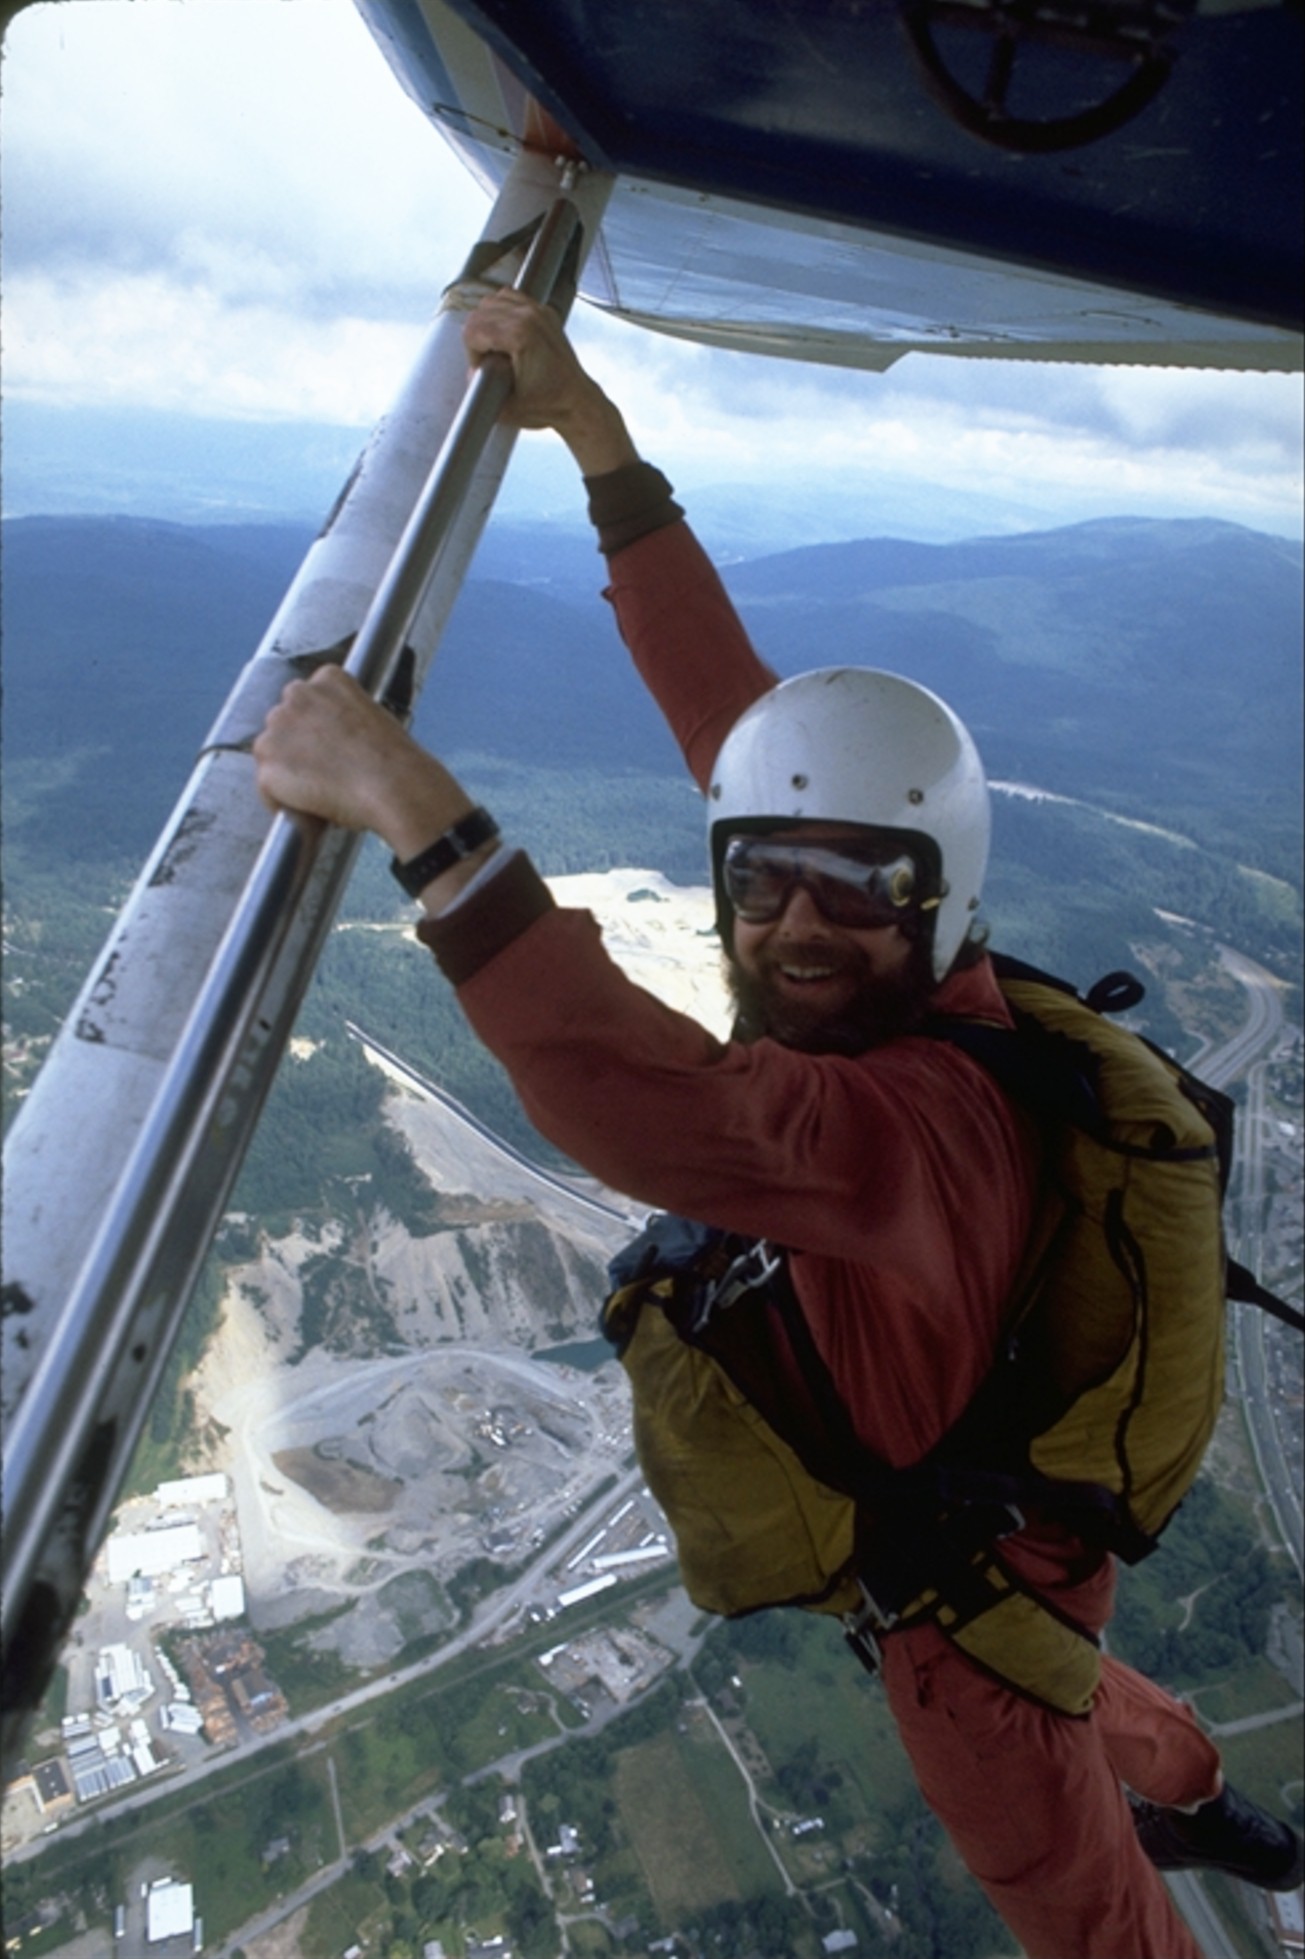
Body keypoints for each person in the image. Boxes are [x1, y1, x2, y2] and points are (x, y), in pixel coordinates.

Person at [254, 289, 1302, 1958]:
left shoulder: (899, 1130)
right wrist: (591, 432)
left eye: (851, 894)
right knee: (1079, 1680)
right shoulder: (935, 992)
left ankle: (1170, 1835)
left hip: (963, 1617)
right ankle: (1198, 1797)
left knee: (1076, 1908)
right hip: (1020, 1546)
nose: (795, 928)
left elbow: (627, 1088)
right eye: (762, 884)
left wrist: (411, 803)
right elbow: (742, 731)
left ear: (936, 901)